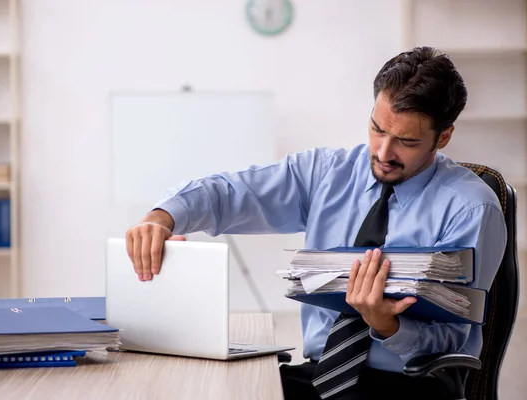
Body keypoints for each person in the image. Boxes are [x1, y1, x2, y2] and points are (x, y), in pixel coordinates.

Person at [124, 46, 507, 400]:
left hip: (406, 384)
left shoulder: (472, 209)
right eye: (377, 129)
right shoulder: (329, 173)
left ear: (443, 137)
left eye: (405, 141)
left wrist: (389, 326)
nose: (383, 152)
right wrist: (163, 217)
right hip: (321, 376)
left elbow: (456, 339)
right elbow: (233, 192)